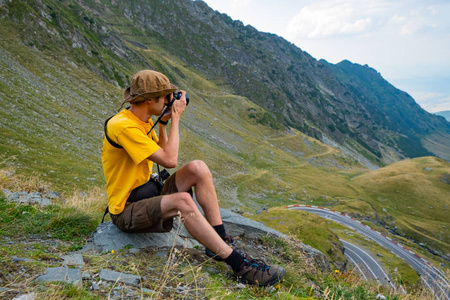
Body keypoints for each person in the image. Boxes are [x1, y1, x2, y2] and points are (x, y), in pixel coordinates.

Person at [101, 69, 285, 286]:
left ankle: (220, 241)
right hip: (127, 210)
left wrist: (163, 123)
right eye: (166, 97)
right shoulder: (123, 126)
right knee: (184, 201)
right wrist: (177, 118)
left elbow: (159, 150)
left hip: (148, 194)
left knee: (198, 168)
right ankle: (240, 266)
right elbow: (169, 160)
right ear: (150, 100)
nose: (170, 100)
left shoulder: (142, 119)